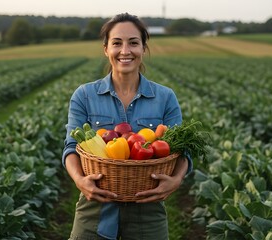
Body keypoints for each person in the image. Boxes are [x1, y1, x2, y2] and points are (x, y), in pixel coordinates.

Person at [62, 12, 192, 240]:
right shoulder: (84, 95)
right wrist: (80, 181)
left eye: (133, 43)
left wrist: (176, 179)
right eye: (117, 43)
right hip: (96, 205)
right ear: (106, 49)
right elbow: (71, 147)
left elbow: (183, 150)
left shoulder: (165, 97)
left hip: (148, 207)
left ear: (143, 48)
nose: (125, 51)